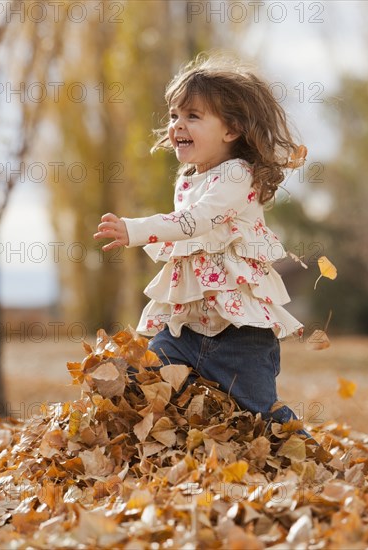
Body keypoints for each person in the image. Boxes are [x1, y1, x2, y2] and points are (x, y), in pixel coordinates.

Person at [93, 54, 310, 434]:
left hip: (240, 337)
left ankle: (314, 458)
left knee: (262, 417)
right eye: (175, 115)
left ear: (232, 130)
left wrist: (136, 228)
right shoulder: (187, 180)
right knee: (135, 376)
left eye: (193, 116)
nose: (177, 124)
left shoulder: (237, 175)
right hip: (186, 331)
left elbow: (196, 222)